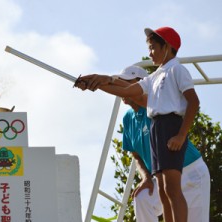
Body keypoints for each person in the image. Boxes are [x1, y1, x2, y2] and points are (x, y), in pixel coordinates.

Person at [75, 27, 201, 222]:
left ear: (166, 47)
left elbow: (193, 102)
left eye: (152, 48)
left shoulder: (177, 69)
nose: (150, 53)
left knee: (172, 189)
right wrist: (98, 83)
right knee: (164, 190)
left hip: (170, 126)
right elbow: (128, 91)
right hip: (156, 128)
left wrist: (181, 135)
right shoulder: (154, 76)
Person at [118, 66, 210, 221]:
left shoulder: (154, 105)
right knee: (143, 198)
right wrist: (146, 177)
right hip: (163, 176)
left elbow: (191, 103)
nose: (124, 87)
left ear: (142, 85)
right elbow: (136, 155)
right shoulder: (128, 118)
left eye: (128, 82)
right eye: (121, 82)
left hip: (191, 172)